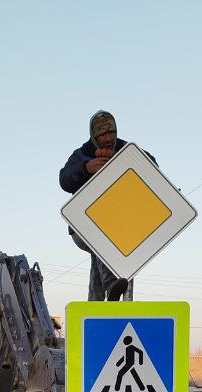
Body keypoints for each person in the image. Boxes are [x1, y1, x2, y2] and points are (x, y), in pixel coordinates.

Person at [59, 110, 154, 302]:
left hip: (119, 227)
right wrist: (86, 168)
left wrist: (121, 161)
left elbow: (152, 166)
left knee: (117, 252)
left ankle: (96, 306)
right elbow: (64, 180)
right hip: (83, 229)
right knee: (102, 239)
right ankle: (112, 284)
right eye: (102, 134)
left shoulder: (126, 149)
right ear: (94, 136)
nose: (108, 138)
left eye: (111, 132)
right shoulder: (82, 155)